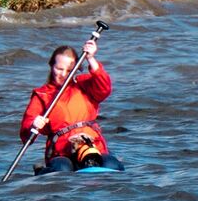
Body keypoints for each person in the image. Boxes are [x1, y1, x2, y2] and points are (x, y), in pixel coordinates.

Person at [19, 38, 123, 174]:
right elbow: (25, 134)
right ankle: (42, 171)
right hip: (62, 152)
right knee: (62, 170)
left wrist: (91, 58)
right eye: (59, 69)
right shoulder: (42, 94)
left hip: (91, 146)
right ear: (51, 66)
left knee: (113, 166)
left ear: (76, 69)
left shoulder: (84, 84)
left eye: (68, 70)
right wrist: (34, 125)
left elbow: (104, 89)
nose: (63, 74)